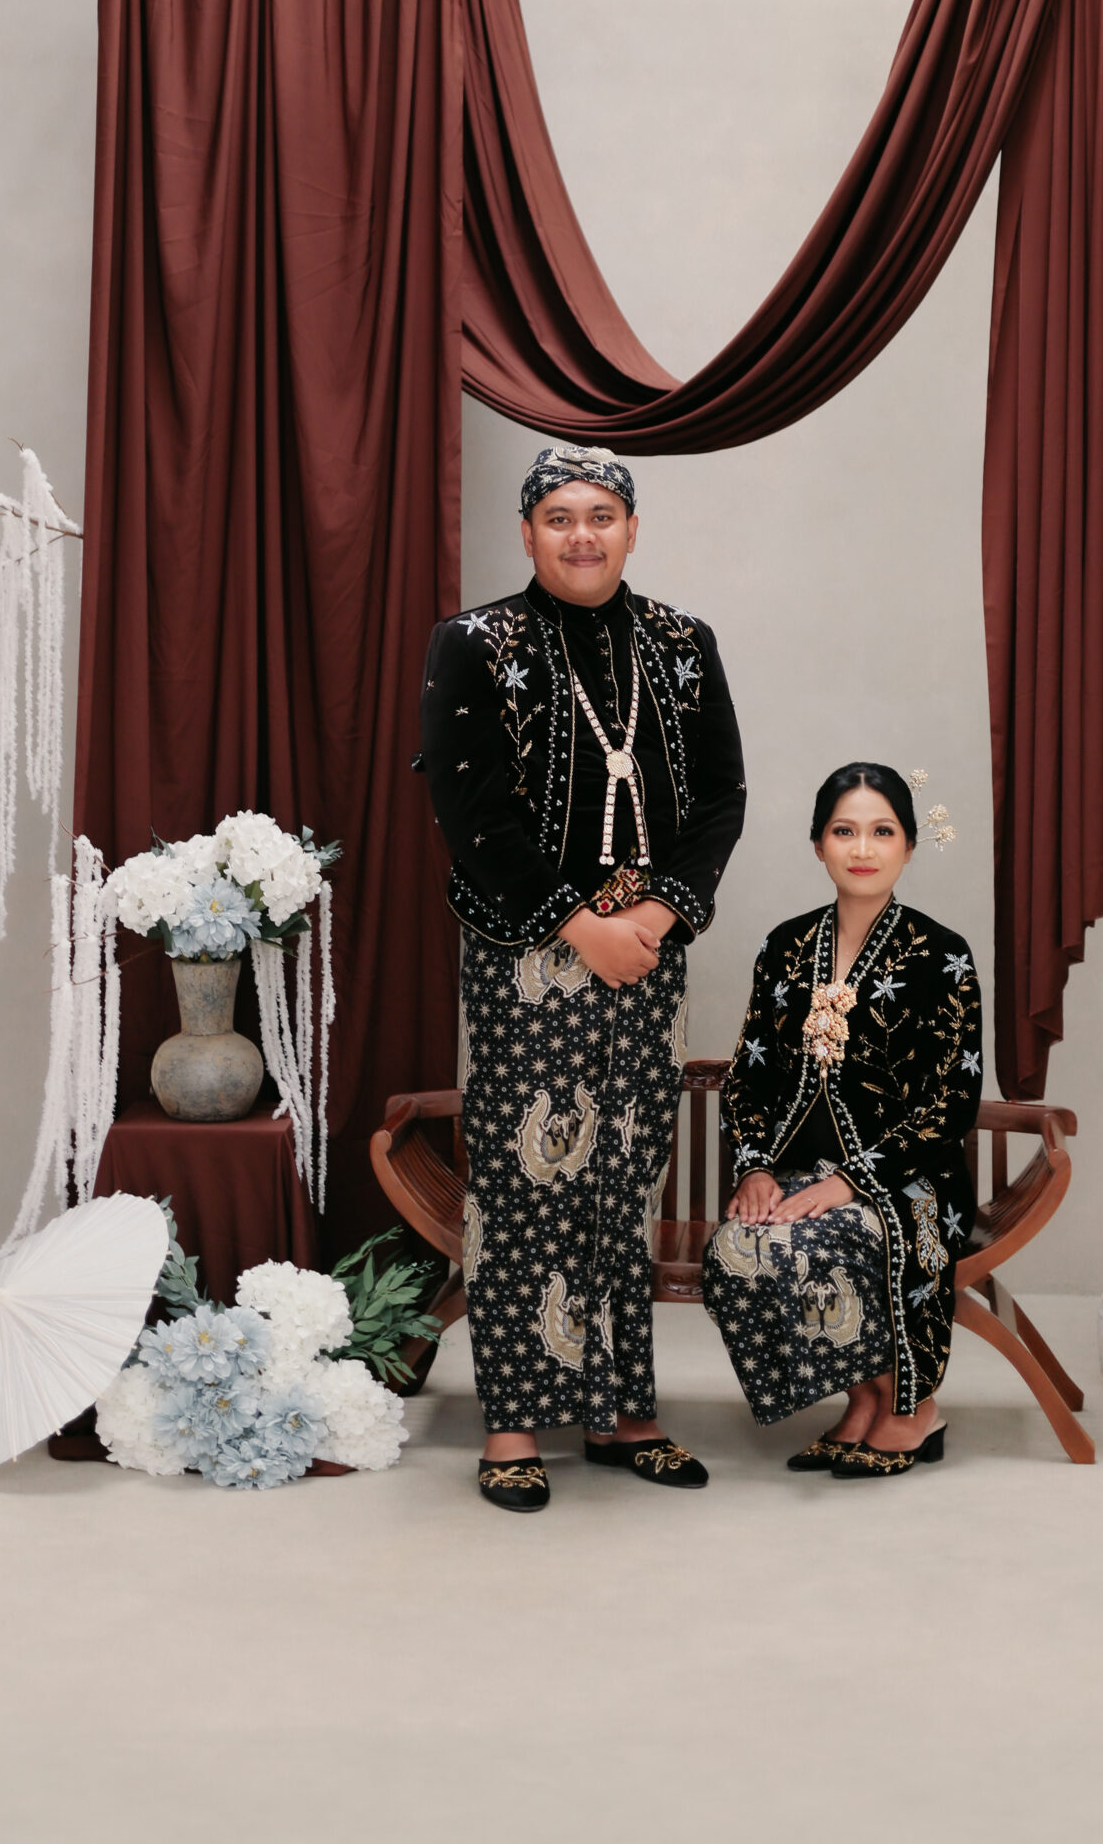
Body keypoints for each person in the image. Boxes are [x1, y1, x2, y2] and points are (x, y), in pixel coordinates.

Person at [418, 444, 747, 1510]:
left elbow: (722, 797)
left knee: (627, 1173)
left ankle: (622, 1412)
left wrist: (655, 914)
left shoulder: (684, 645)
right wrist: (576, 923)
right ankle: (512, 1424)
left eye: (601, 514)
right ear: (527, 533)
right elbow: (471, 809)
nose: (581, 534)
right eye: (558, 516)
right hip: (526, 954)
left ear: (631, 529)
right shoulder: (475, 643)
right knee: (526, 1181)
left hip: (648, 948)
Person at [703, 762, 982, 1477]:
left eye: (882, 831)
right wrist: (754, 1169)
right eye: (843, 831)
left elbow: (952, 1101)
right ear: (817, 845)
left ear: (910, 846)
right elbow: (749, 1077)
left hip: (911, 1183)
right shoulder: (785, 947)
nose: (862, 848)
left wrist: (852, 1182)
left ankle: (912, 1405)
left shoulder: (942, 954)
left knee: (818, 1238)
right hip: (799, 1174)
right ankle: (864, 1397)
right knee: (735, 1249)